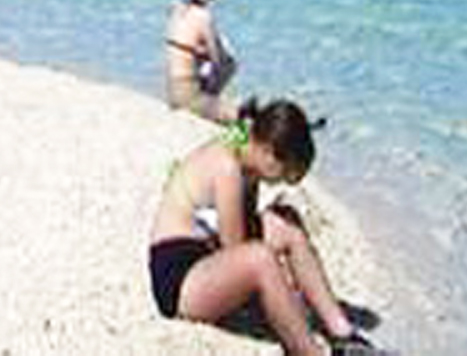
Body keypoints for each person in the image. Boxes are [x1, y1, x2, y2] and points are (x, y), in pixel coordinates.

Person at [146, 99, 376, 355]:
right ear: (269, 153)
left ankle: (342, 333)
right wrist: (284, 298)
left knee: (286, 223)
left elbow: (242, 229)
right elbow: (235, 249)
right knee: (260, 259)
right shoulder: (227, 168)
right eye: (284, 173)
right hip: (180, 280)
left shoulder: (247, 156)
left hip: (207, 257)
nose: (279, 182)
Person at [166, 0, 240, 121]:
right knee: (230, 63)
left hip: (173, 91)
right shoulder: (203, 17)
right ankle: (211, 101)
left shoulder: (176, 10)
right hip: (189, 96)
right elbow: (219, 62)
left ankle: (211, 100)